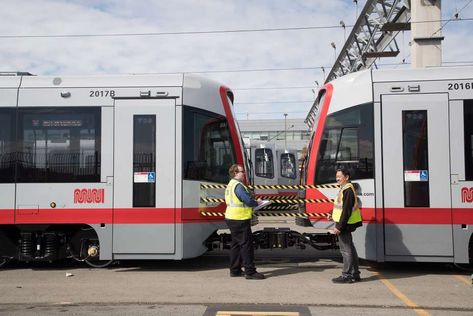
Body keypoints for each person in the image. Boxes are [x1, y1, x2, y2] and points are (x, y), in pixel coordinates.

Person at [225, 164, 265, 280]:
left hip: (231, 217)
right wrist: (257, 203)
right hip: (240, 219)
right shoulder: (238, 186)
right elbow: (247, 200)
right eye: (242, 172)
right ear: (235, 173)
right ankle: (250, 272)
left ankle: (235, 270)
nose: (244, 174)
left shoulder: (231, 185)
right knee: (246, 246)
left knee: (236, 245)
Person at [328, 168, 362, 283]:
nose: (337, 178)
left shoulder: (347, 190)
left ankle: (347, 275)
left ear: (346, 177)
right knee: (350, 248)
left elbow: (346, 211)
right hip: (346, 223)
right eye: (336, 176)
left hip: (345, 224)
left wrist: (338, 227)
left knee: (345, 250)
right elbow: (341, 206)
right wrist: (331, 213)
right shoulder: (345, 188)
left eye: (339, 176)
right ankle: (355, 273)